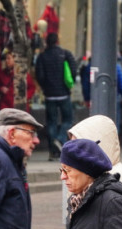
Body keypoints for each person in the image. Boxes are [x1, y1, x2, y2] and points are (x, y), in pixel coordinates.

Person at [35, 32, 78, 161]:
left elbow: (40, 75)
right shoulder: (65, 54)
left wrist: (46, 87)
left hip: (49, 95)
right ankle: (59, 139)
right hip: (64, 94)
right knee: (68, 120)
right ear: (57, 41)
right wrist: (68, 85)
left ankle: (53, 150)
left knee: (51, 122)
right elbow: (73, 70)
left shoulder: (42, 57)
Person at [79, 56, 122, 129]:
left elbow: (86, 85)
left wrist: (87, 99)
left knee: (97, 123)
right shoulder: (115, 66)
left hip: (96, 100)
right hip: (113, 100)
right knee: (113, 124)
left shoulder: (91, 67)